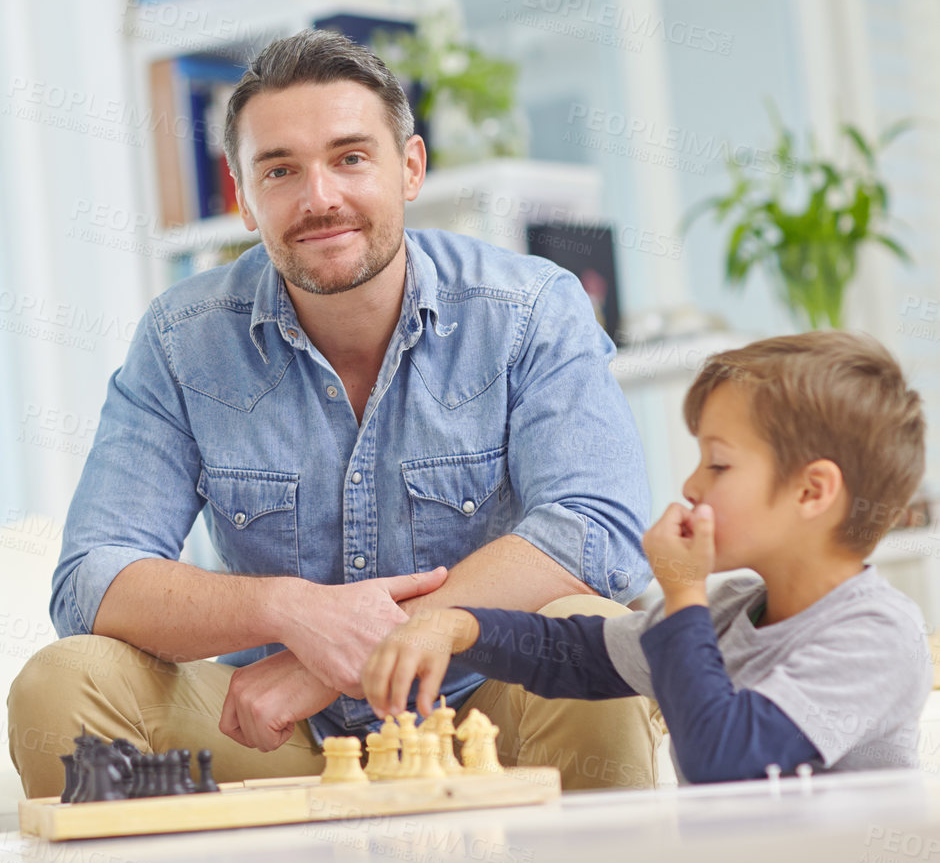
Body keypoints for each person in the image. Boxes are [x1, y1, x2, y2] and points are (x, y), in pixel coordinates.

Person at [8, 29, 659, 797]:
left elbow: (597, 526)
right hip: (273, 729)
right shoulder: (183, 339)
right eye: (280, 170)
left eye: (351, 158)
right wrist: (291, 613)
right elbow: (93, 579)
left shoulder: (529, 309)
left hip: (484, 706)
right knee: (65, 684)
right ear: (244, 197)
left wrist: (377, 645)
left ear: (409, 168)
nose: (320, 199)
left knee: (587, 628)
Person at [364, 332, 932, 782]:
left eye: (718, 464)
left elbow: (727, 761)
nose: (690, 483)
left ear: (812, 492)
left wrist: (683, 591)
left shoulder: (875, 634)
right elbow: (576, 655)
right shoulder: (730, 610)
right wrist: (458, 627)